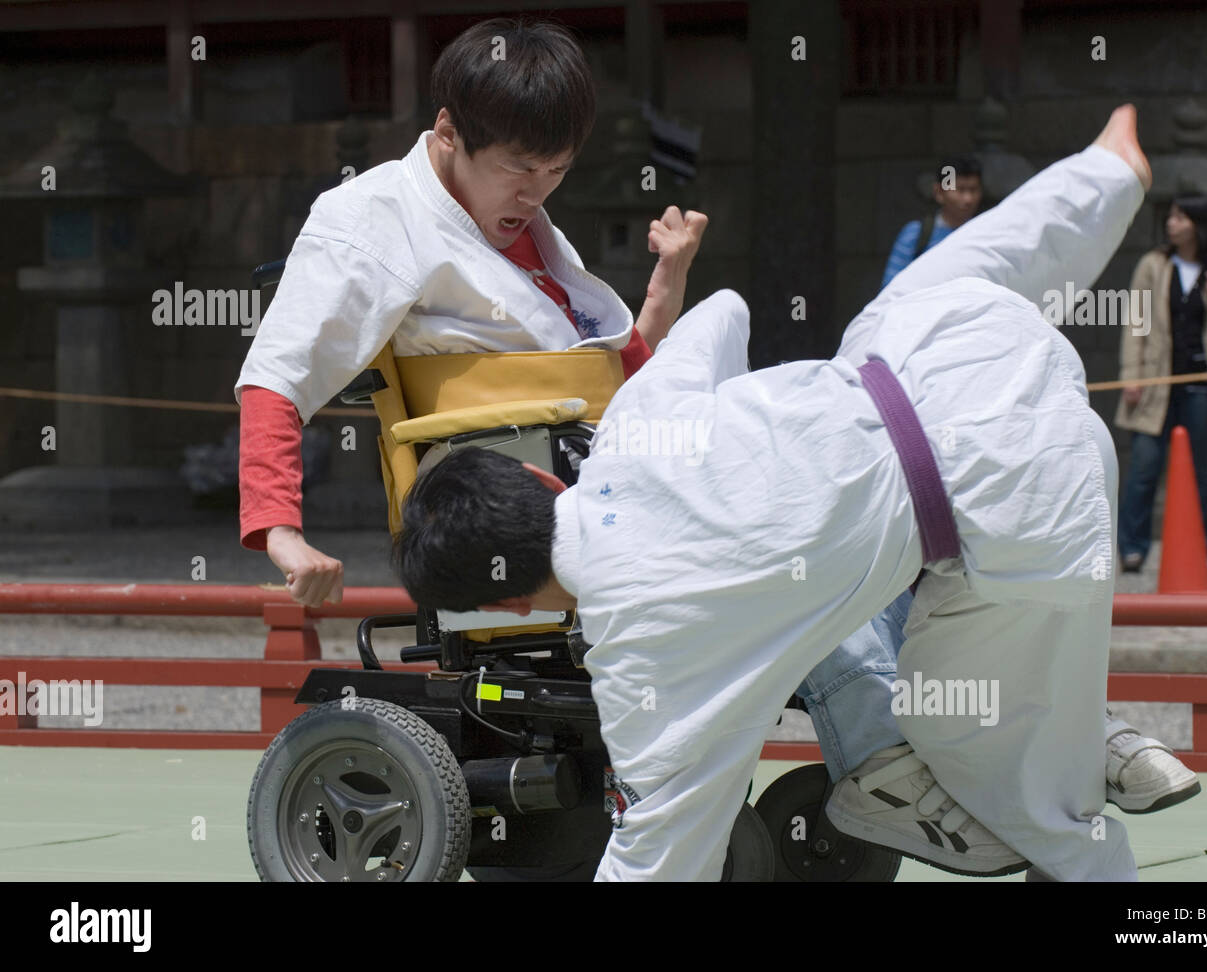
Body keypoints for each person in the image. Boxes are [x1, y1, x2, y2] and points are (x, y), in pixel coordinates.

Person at [396, 106, 1163, 881]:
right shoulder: (631, 432)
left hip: (1031, 484)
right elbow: (725, 315)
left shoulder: (640, 663)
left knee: (968, 736)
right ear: (540, 477)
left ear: (505, 603)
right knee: (935, 288)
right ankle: (1103, 174)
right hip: (950, 344)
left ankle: (1079, 781)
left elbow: (655, 854)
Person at [234, 18, 707, 604]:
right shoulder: (372, 217)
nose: (536, 193)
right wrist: (283, 534)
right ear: (449, 131)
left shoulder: (524, 224)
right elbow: (276, 376)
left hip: (601, 467)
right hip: (512, 509)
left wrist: (668, 282)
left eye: (556, 170)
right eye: (519, 167)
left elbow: (614, 368)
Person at [1115, 195, 1207, 572]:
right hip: (1156, 380)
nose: (1172, 223)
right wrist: (1132, 376)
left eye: (1180, 218)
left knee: (1198, 471)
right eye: (1171, 217)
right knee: (1144, 466)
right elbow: (1137, 324)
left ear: (1199, 223)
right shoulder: (1153, 265)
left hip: (1203, 383)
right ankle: (1132, 549)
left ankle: (1199, 551)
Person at [879, 155, 982, 291]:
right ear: (939, 192)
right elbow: (890, 289)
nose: (968, 198)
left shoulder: (983, 234)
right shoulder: (915, 235)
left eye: (973, 190)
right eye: (960, 190)